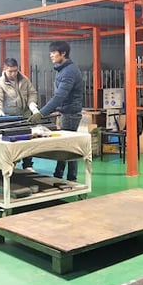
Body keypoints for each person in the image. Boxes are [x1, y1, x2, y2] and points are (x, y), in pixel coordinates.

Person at [28, 41, 84, 181]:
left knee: (69, 148)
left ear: (63, 53)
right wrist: (54, 110)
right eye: (51, 52)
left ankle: (70, 179)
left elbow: (60, 96)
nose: (51, 55)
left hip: (70, 114)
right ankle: (59, 176)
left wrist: (41, 113)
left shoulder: (69, 71)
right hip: (66, 112)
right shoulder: (63, 69)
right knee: (66, 146)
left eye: (54, 52)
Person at [0, 58, 40, 170]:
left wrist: (32, 104)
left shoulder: (25, 80)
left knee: (28, 141)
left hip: (25, 116)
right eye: (10, 71)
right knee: (11, 143)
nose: (13, 74)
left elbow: (32, 93)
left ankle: (28, 165)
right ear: (4, 70)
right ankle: (11, 165)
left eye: (15, 71)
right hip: (10, 119)